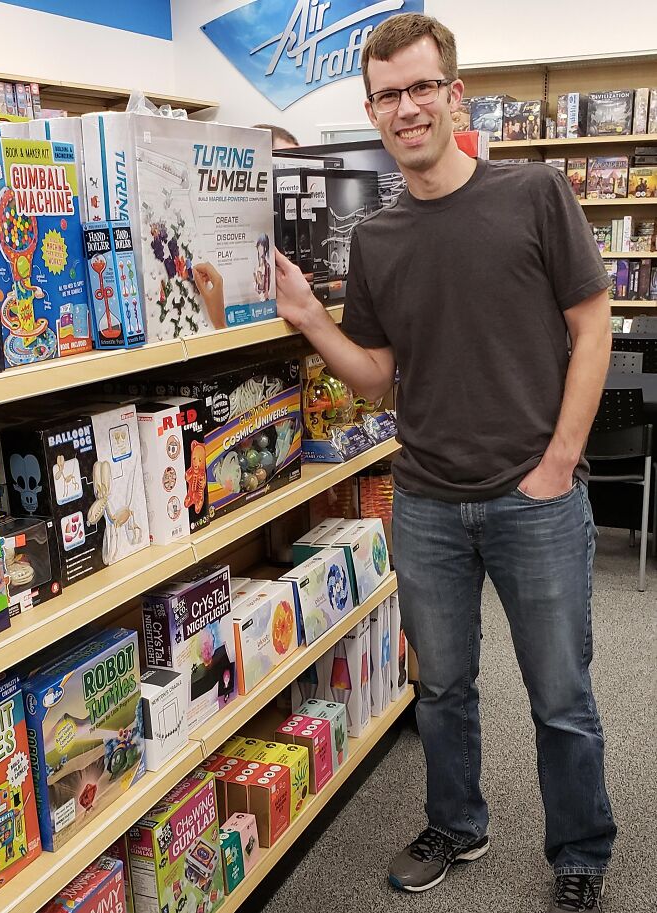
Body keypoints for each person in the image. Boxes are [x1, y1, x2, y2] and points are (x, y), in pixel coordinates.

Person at [274, 13, 616, 913]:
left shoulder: (536, 192)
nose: (407, 107)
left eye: (422, 87)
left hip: (536, 497)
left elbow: (593, 328)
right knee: (443, 689)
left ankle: (581, 849)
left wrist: (560, 462)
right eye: (387, 95)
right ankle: (458, 825)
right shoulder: (377, 240)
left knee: (561, 693)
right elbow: (376, 380)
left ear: (455, 95)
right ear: (372, 111)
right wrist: (308, 319)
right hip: (425, 499)